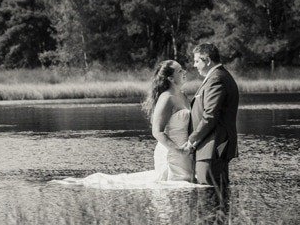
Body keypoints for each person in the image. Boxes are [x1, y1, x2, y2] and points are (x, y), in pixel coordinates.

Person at [51, 60, 206, 189]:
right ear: (171, 79)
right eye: (179, 71)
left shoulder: (184, 96)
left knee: (185, 187)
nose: (184, 72)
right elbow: (157, 132)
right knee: (172, 189)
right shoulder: (166, 98)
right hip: (171, 152)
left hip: (186, 151)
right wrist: (178, 150)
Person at [182, 43, 240, 202]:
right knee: (213, 194)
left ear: (207, 60)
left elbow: (210, 116)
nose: (194, 65)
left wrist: (192, 139)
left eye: (196, 61)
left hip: (212, 147)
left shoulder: (216, 79)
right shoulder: (218, 76)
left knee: (209, 195)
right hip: (211, 146)